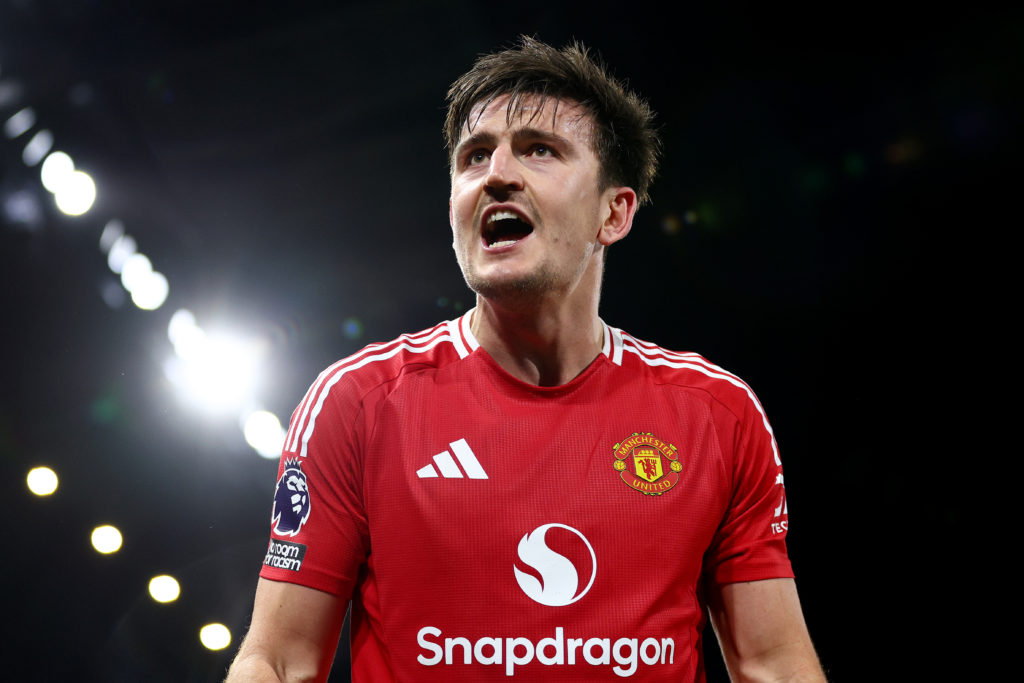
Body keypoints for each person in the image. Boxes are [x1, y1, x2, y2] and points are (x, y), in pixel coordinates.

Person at [227, 36, 825, 682]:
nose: (497, 174)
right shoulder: (358, 402)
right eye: (475, 157)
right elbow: (280, 661)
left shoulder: (718, 415)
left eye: (540, 149)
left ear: (614, 212)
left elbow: (774, 666)